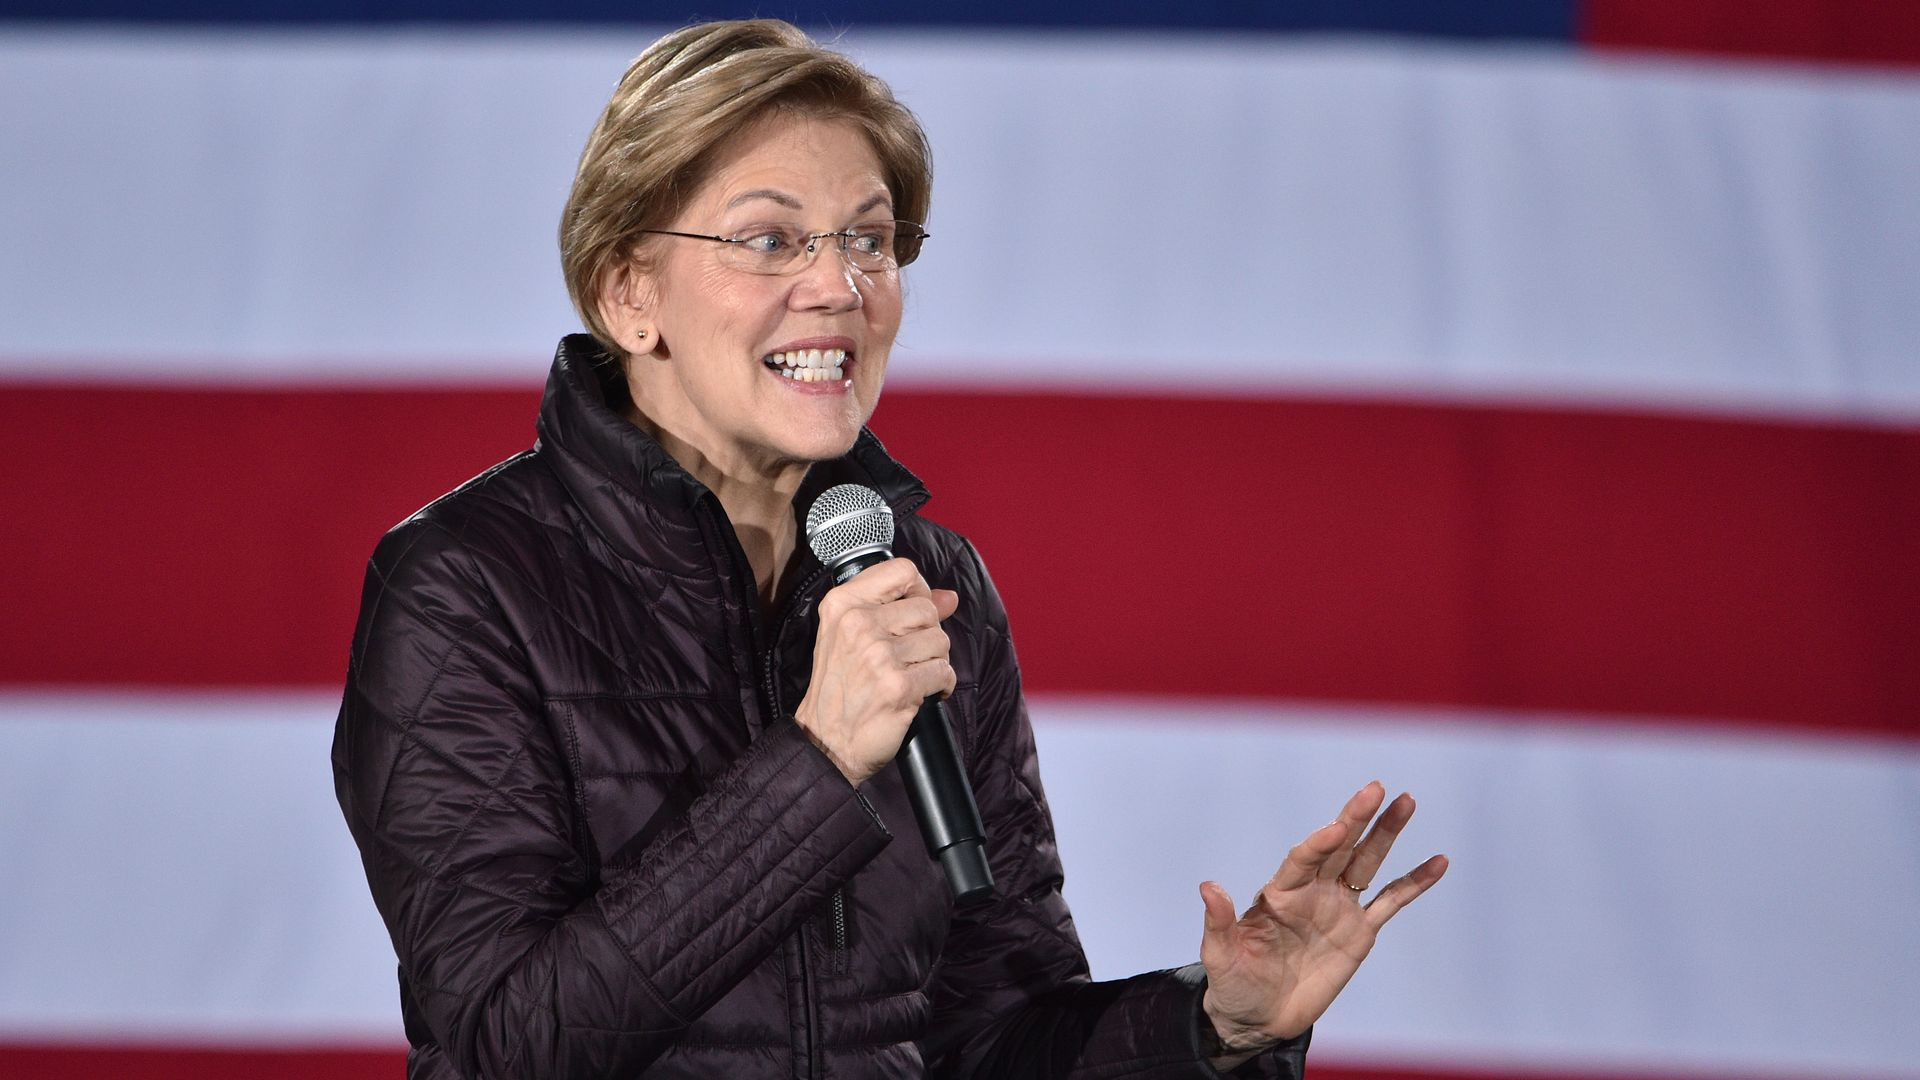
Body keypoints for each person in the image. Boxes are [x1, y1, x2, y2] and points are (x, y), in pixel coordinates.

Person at [332, 18, 1446, 1080]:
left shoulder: (931, 580)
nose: (839, 288)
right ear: (630, 295)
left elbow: (989, 1035)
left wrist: (1214, 1026)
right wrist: (816, 765)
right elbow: (504, 1048)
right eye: (769, 240)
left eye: (869, 239)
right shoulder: (466, 586)